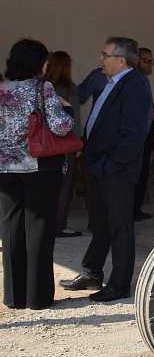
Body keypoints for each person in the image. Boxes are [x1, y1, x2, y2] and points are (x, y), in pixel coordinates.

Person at [58, 37, 152, 303]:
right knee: (99, 223)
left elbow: (134, 135)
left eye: (105, 55)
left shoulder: (134, 85)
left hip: (115, 169)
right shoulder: (111, 81)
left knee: (120, 226)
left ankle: (119, 284)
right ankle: (91, 272)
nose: (101, 59)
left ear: (121, 60)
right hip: (98, 164)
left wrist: (112, 165)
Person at [0, 39, 75, 310]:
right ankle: (38, 297)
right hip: (40, 165)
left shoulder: (1, 88)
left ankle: (14, 296)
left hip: (6, 167)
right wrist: (66, 108)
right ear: (37, 63)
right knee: (39, 228)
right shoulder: (42, 88)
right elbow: (61, 126)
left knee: (11, 228)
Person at [43, 51, 84, 237]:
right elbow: (75, 117)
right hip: (64, 144)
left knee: (47, 186)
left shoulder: (41, 86)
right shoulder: (69, 88)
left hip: (44, 144)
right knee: (65, 186)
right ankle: (59, 225)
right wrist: (77, 143)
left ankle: (44, 223)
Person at [134, 47, 154, 221]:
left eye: (151, 61)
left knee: (143, 173)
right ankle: (132, 210)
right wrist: (148, 113)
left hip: (146, 135)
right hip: (137, 136)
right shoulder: (132, 80)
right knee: (137, 174)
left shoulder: (142, 80)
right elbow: (131, 106)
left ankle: (136, 208)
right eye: (146, 61)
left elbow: (144, 102)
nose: (149, 65)